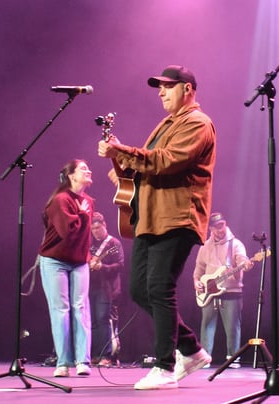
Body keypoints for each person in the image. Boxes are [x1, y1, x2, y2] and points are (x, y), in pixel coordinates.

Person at [97, 64, 215, 390]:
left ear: (187, 89)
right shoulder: (166, 123)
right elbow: (150, 164)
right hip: (150, 219)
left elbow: (166, 161)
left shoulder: (197, 123)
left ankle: (164, 367)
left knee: (160, 288)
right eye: (159, 87)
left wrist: (123, 152)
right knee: (139, 289)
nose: (161, 92)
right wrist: (123, 168)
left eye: (167, 87)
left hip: (177, 217)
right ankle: (190, 349)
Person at [38, 159, 95, 378]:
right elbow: (66, 231)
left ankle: (83, 361)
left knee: (81, 308)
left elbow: (84, 234)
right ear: (71, 176)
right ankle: (62, 362)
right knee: (61, 310)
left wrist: (87, 256)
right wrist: (80, 214)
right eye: (83, 169)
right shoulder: (60, 200)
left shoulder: (88, 201)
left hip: (79, 261)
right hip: (55, 260)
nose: (88, 171)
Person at [192, 212, 252, 369]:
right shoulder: (205, 247)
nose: (221, 229)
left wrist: (245, 264)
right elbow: (199, 268)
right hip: (208, 292)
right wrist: (197, 281)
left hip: (231, 291)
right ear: (211, 228)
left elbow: (242, 260)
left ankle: (233, 358)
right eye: (217, 227)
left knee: (232, 327)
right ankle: (205, 358)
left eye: (222, 225)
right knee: (206, 325)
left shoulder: (236, 244)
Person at [88, 211, 125, 367]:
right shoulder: (89, 243)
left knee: (103, 320)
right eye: (93, 229)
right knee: (94, 321)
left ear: (104, 225)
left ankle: (107, 355)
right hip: (90, 286)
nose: (96, 231)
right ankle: (96, 354)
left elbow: (120, 265)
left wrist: (103, 267)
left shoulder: (113, 244)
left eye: (98, 228)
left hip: (106, 288)